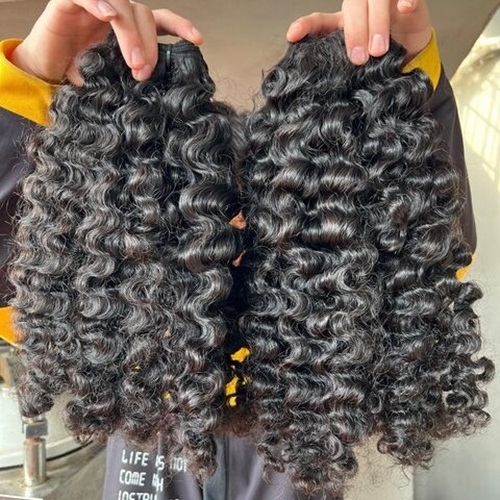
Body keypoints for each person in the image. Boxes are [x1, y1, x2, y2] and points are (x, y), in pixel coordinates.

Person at [0, 1, 476, 498]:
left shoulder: (338, 335)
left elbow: (428, 247)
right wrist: (32, 78)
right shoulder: (121, 321)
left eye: (256, 211)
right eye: (206, 214)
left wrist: (409, 96)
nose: (231, 231)